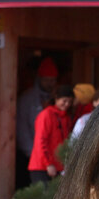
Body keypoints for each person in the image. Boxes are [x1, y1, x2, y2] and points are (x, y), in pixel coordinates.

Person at [16, 58, 59, 186]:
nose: (50, 84)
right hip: (30, 155)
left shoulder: (58, 99)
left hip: (53, 157)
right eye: (46, 80)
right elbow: (22, 129)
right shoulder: (27, 99)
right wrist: (31, 152)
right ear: (39, 79)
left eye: (52, 80)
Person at [29, 88, 76, 178]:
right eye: (64, 101)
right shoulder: (46, 115)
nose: (67, 104)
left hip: (58, 166)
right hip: (42, 166)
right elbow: (40, 141)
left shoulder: (66, 117)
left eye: (70, 102)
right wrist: (48, 164)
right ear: (56, 98)